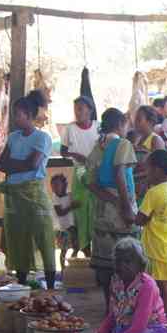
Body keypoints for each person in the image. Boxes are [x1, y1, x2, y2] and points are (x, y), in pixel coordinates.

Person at [0, 93, 57, 292]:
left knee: (44, 236)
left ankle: (50, 285)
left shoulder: (43, 137)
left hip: (33, 194)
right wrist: (20, 165)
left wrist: (14, 165)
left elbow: (33, 164)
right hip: (15, 196)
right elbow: (1, 164)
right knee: (17, 237)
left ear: (29, 115)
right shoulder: (13, 137)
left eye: (19, 114)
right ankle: (21, 284)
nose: (15, 118)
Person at [84, 238, 167, 333]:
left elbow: (138, 327)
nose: (122, 265)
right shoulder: (115, 281)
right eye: (118, 261)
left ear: (140, 265)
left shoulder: (147, 285)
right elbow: (112, 317)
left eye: (128, 261)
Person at [88, 108, 139, 311]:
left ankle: (110, 307)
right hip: (120, 208)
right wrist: (124, 206)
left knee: (105, 263)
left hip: (101, 210)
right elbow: (119, 174)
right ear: (121, 124)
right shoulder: (122, 144)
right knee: (127, 258)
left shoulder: (97, 146)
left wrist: (109, 200)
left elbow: (90, 183)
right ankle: (125, 307)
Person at [135, 149, 167, 333]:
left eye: (148, 169)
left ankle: (165, 329)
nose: (146, 173)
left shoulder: (154, 192)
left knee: (159, 287)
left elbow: (140, 219)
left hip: (154, 246)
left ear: (158, 170)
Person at [61, 95, 99, 256]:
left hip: (96, 171)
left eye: (81, 108)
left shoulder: (99, 127)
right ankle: (85, 248)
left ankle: (97, 247)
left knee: (96, 209)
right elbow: (63, 152)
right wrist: (76, 155)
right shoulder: (69, 129)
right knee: (81, 210)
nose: (77, 112)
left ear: (90, 110)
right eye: (76, 109)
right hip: (80, 172)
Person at [51, 174, 79, 270]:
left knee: (77, 247)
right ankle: (63, 270)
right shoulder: (55, 198)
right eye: (53, 186)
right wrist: (71, 206)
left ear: (64, 185)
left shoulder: (70, 195)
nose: (55, 188)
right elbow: (60, 212)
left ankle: (71, 265)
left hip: (72, 226)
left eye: (57, 185)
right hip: (62, 229)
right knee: (63, 250)